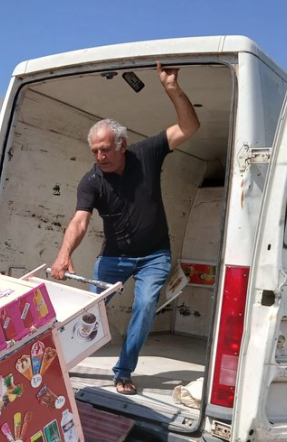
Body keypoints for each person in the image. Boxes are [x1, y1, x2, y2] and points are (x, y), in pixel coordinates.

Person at [50, 62, 200, 395]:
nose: (100, 157)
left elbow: (189, 127)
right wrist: (64, 254)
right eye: (94, 151)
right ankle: (61, 363)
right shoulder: (92, 180)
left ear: (122, 144)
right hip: (115, 256)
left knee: (146, 305)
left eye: (105, 149)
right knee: (91, 313)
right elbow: (80, 219)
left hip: (154, 255)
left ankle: (123, 371)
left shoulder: (147, 154)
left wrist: (172, 88)